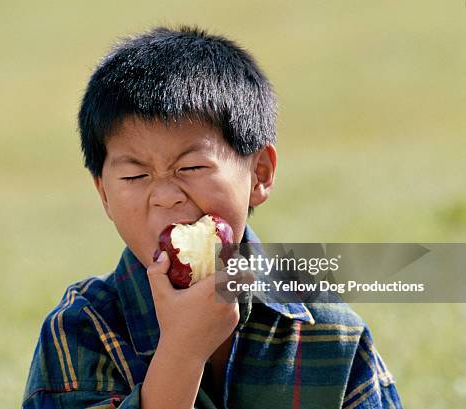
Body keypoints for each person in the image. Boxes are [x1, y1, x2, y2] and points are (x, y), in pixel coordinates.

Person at [22, 26, 403, 408]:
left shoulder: (329, 331)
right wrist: (182, 353)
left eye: (190, 168)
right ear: (104, 194)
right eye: (135, 176)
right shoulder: (82, 330)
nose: (166, 196)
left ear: (260, 174)